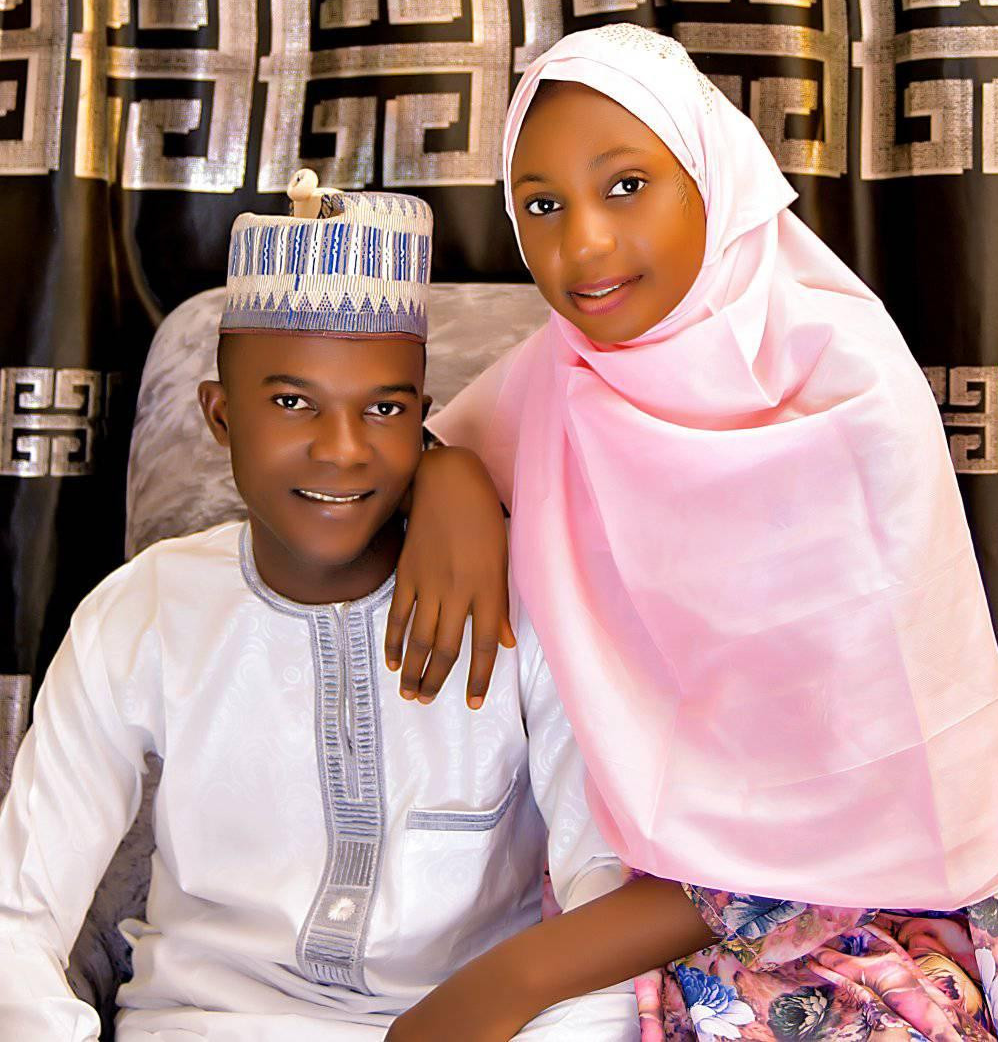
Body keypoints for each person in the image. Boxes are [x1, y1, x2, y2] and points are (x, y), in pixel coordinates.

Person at [389, 23, 998, 1042]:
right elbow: (448, 442)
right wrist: (448, 476)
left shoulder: (844, 393)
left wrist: (522, 975)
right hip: (656, 909)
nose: (583, 246)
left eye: (625, 186)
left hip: (901, 905)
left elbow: (852, 812)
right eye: (542, 205)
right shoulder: (566, 371)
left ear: (714, 179)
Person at [0, 179, 711, 1042]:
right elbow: (17, 911)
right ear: (221, 416)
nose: (342, 450)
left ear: (422, 420)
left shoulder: (529, 606)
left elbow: (603, 877)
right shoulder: (141, 612)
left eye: (383, 409)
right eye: (292, 402)